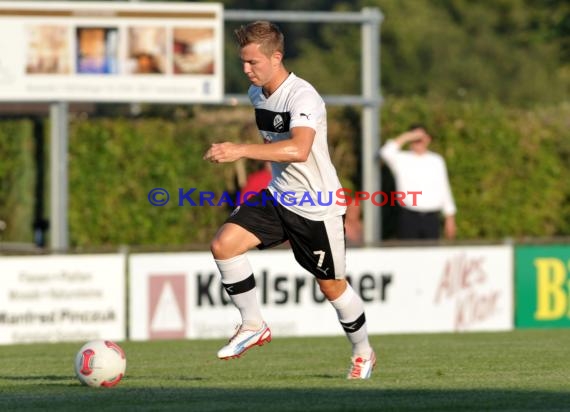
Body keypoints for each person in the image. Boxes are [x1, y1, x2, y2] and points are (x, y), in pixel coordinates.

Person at [203, 21, 375, 379]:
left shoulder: (303, 96)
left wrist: (240, 150)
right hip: (278, 197)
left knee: (331, 286)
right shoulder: (257, 94)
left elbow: (299, 149)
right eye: (243, 63)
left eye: (253, 63)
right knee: (224, 245)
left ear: (276, 57)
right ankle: (253, 324)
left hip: (317, 207)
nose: (247, 70)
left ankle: (363, 352)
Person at [379, 124, 457, 240]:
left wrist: (450, 217)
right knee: (408, 255)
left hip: (432, 218)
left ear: (428, 139)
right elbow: (385, 152)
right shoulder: (402, 159)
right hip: (408, 216)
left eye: (421, 139)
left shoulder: (436, 161)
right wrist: (407, 136)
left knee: (431, 255)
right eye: (415, 139)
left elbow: (444, 188)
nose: (418, 142)